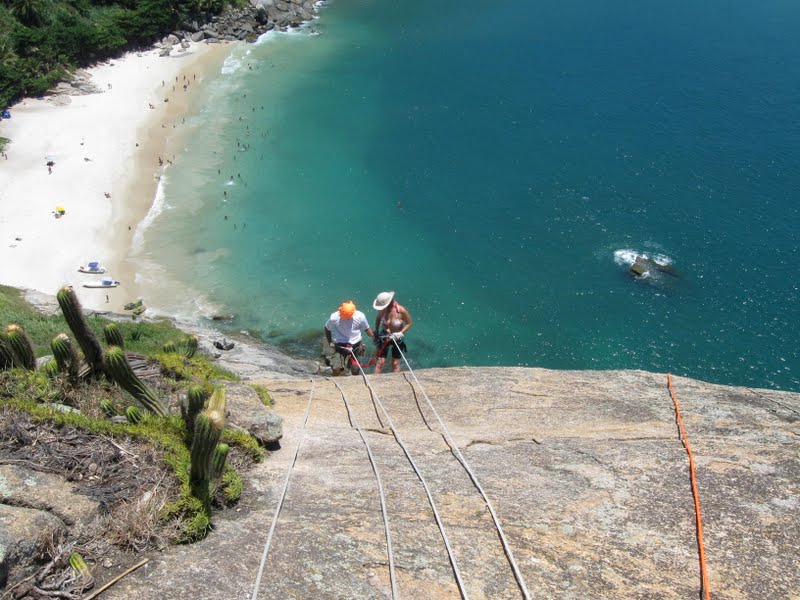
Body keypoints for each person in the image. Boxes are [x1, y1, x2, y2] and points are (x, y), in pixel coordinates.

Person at [324, 300, 375, 376]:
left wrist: (374, 336)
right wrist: (330, 342)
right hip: (340, 344)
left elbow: (367, 329)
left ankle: (353, 380)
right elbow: (327, 328)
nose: (346, 319)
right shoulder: (334, 317)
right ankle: (337, 379)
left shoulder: (360, 316)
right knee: (336, 367)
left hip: (356, 344)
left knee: (355, 369)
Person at [372, 291, 413, 374]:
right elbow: (378, 319)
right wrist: (376, 331)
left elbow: (409, 323)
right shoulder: (382, 310)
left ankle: (395, 382)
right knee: (380, 362)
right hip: (384, 336)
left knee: (395, 363)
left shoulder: (401, 310)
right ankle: (374, 381)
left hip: (397, 337)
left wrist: (401, 333)